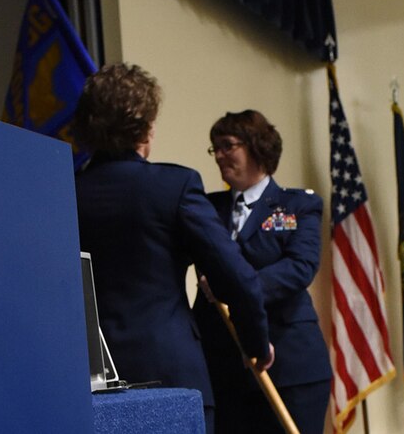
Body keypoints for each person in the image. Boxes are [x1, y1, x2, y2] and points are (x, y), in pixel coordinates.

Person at [71, 64, 273, 434]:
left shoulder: (65, 190)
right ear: (145, 128)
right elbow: (237, 277)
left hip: (85, 381)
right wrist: (257, 344)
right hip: (170, 377)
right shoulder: (174, 186)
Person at [193, 109, 332, 434]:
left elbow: (300, 267)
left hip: (290, 364)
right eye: (216, 148)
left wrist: (238, 286)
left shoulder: (297, 205)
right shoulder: (207, 208)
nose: (220, 156)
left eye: (228, 145)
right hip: (224, 366)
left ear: (257, 145)